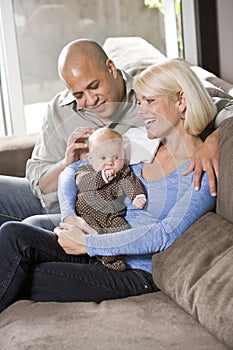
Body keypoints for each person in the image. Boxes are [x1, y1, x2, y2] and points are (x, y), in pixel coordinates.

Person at [0, 59, 217, 312]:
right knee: (13, 234)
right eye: (140, 102)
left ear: (181, 101)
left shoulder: (200, 171)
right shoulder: (140, 145)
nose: (141, 111)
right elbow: (73, 171)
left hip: (133, 272)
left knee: (22, 272)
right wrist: (71, 217)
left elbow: (163, 234)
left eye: (150, 101)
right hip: (96, 248)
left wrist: (87, 245)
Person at [0, 39, 231, 227]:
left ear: (111, 68)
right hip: (52, 198)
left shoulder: (148, 97)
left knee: (26, 230)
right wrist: (65, 165)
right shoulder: (59, 108)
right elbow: (36, 179)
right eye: (78, 95)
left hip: (99, 211)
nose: (90, 100)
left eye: (94, 86)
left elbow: (220, 106)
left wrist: (214, 139)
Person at [74, 127, 146, 271]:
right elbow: (83, 183)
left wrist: (137, 196)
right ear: (91, 158)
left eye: (115, 157)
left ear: (123, 155)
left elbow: (131, 183)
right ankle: (96, 257)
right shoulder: (86, 170)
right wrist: (102, 177)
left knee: (122, 230)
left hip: (112, 214)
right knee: (91, 232)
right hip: (87, 213)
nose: (110, 163)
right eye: (103, 158)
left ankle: (112, 260)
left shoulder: (123, 173)